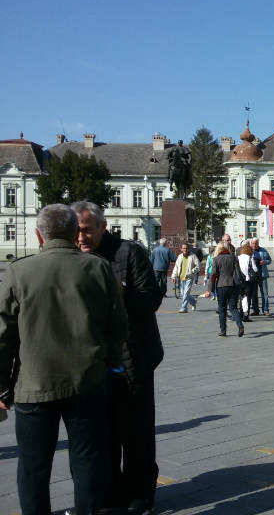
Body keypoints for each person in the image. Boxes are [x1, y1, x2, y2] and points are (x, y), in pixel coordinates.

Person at [0, 204, 129, 515]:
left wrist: (3, 388)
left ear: (38, 234)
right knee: (87, 460)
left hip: (34, 383)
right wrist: (108, 361)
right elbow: (118, 326)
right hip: (86, 380)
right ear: (75, 232)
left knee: (33, 465)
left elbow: (3, 337)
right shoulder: (97, 268)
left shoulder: (18, 271)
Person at [71, 201, 164, 514]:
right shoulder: (73, 257)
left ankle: (140, 496)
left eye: (86, 230)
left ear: (102, 226)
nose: (81, 238)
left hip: (133, 357)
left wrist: (119, 291)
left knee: (136, 433)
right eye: (76, 232)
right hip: (93, 361)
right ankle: (109, 494)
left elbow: (150, 298)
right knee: (103, 435)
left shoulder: (129, 252)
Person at [212, 241, 244, 337]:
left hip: (221, 285)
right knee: (233, 307)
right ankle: (240, 325)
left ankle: (223, 331)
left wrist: (210, 289)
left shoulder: (216, 259)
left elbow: (213, 275)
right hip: (233, 285)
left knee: (222, 309)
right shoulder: (234, 258)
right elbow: (238, 271)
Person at [171, 243, 199, 313]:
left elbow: (198, 266)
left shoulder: (193, 256)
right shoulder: (180, 256)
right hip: (181, 277)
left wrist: (192, 271)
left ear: (188, 249)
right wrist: (173, 276)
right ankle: (193, 302)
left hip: (189, 277)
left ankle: (184, 308)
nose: (185, 249)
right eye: (183, 248)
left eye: (186, 248)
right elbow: (176, 267)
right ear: (181, 249)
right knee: (183, 294)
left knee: (186, 293)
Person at [251, 238, 272, 315]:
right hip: (253, 276)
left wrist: (265, 262)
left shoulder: (263, 250)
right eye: (253, 243)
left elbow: (269, 260)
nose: (254, 245)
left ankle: (265, 310)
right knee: (254, 294)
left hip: (262, 275)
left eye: (255, 243)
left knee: (264, 293)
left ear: (258, 243)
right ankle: (255, 310)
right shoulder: (249, 251)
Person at [237, 243, 257, 322]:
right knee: (248, 298)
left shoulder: (238, 258)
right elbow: (255, 269)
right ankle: (246, 315)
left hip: (239, 280)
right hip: (248, 280)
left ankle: (240, 314)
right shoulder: (250, 258)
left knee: (241, 297)